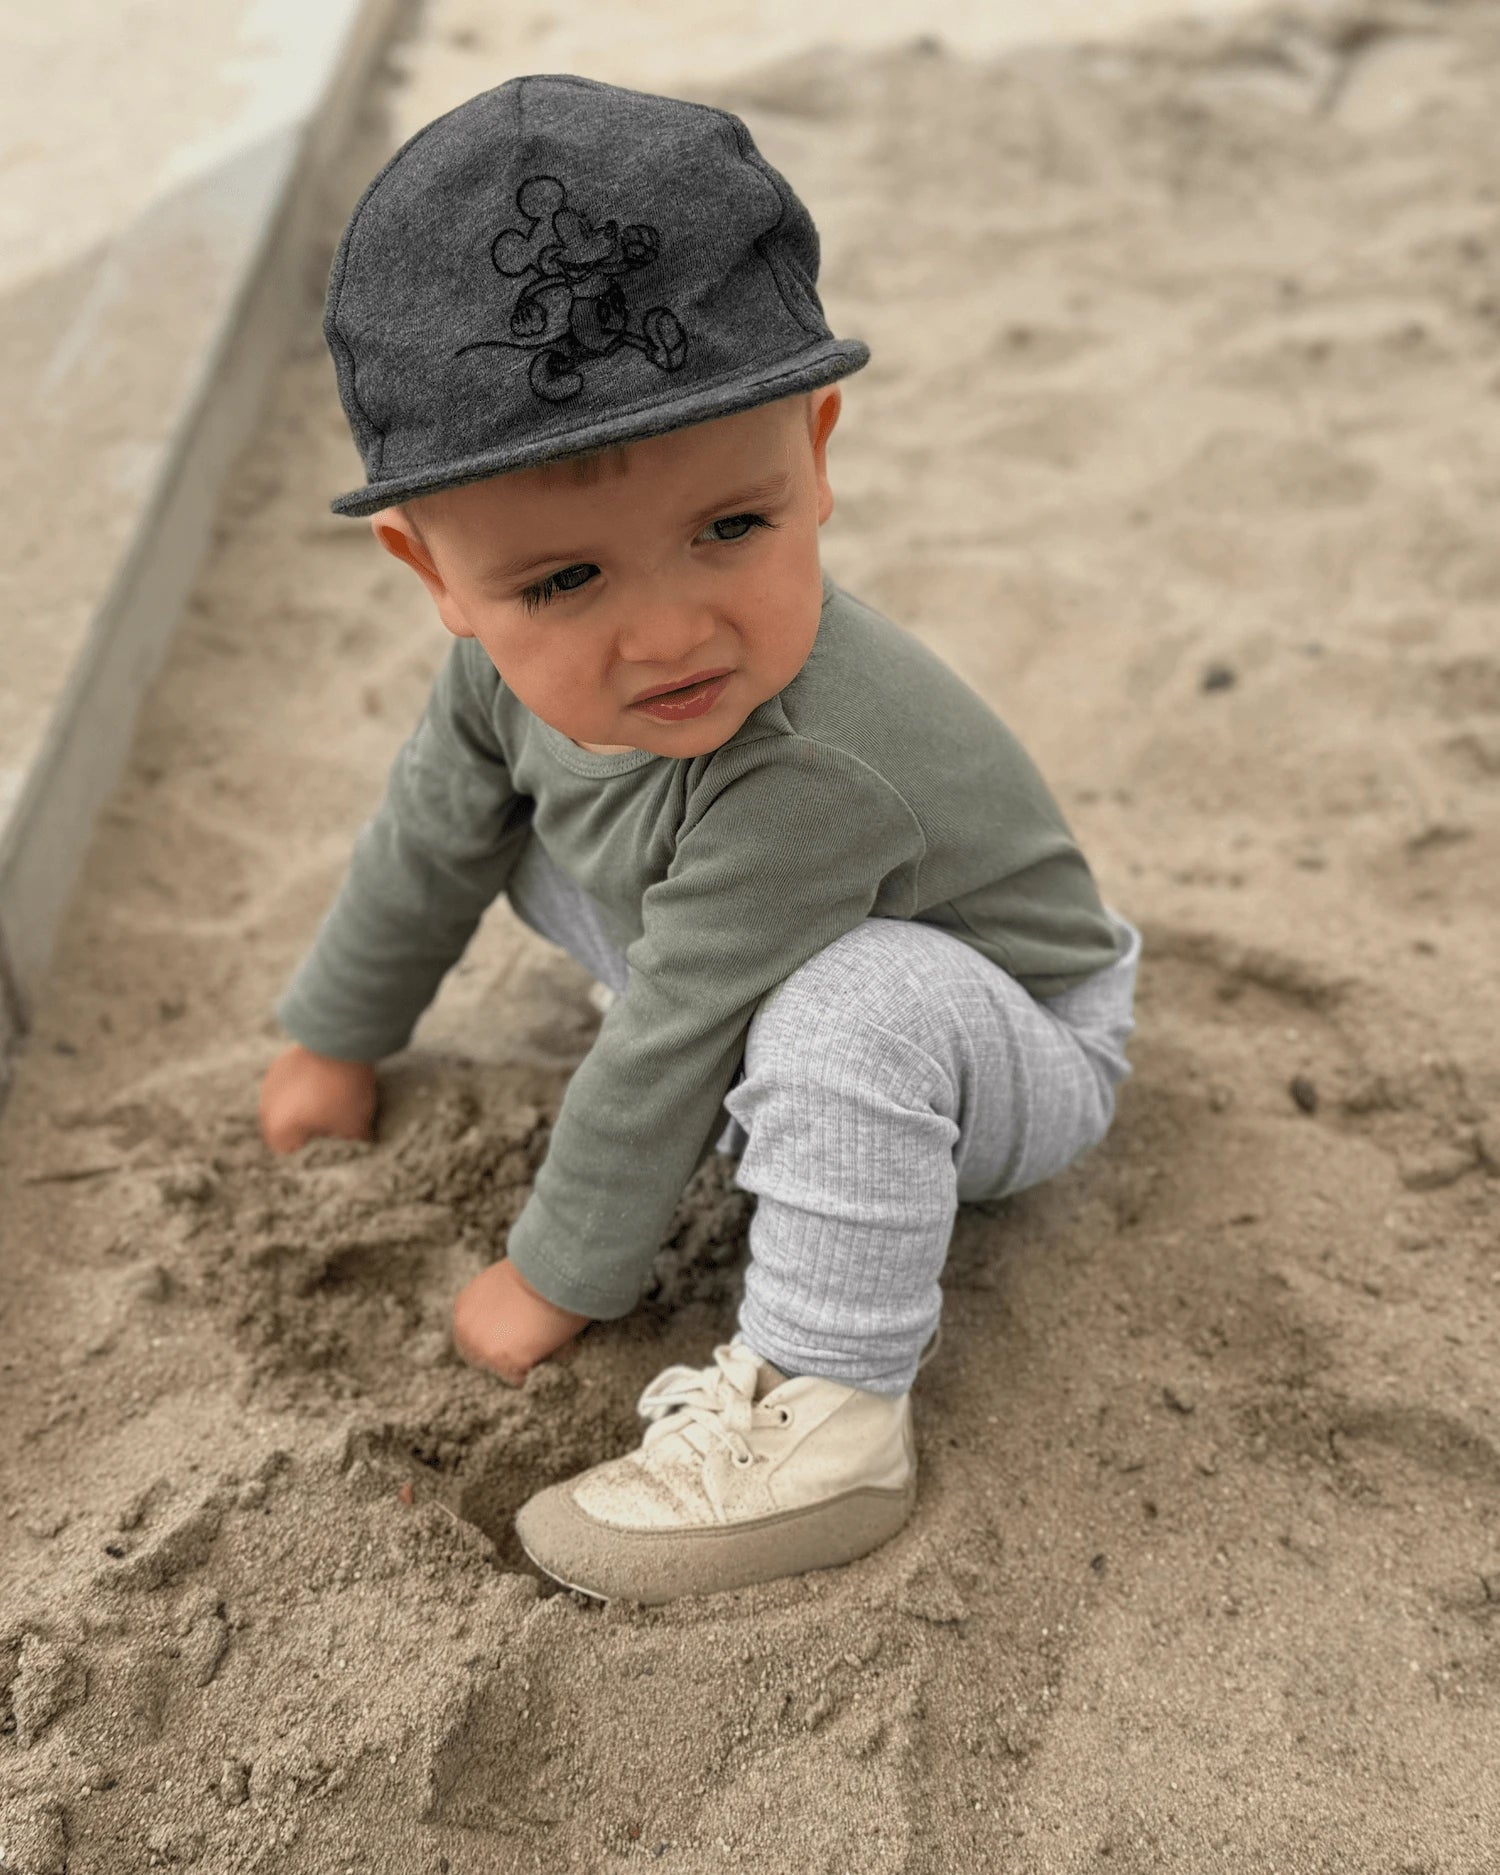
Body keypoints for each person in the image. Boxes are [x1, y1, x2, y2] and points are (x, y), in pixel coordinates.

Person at [258, 73, 1142, 1604]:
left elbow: (669, 1030)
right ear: (437, 576)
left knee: (844, 1003)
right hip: (731, 936)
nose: (669, 634)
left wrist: (554, 1277)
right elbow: (427, 840)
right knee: (505, 819)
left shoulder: (811, 763)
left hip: (1002, 1038)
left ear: (818, 451)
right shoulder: (493, 674)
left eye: (733, 528)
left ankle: (833, 1414)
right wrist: (336, 1035)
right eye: (561, 582)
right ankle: (780, 1099)